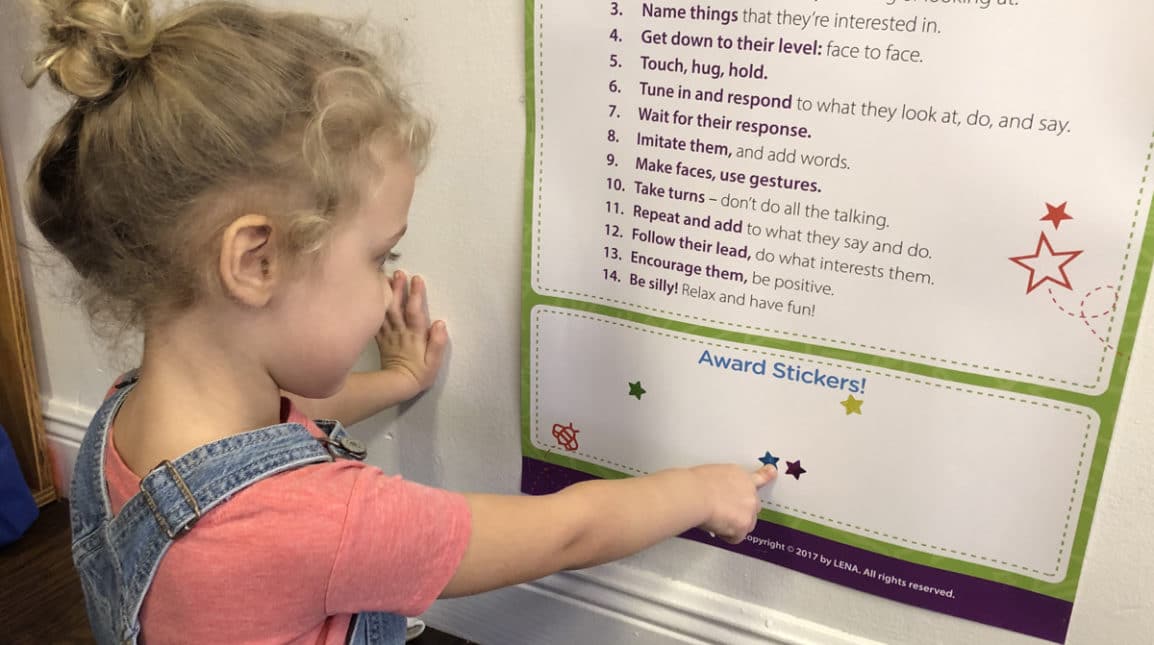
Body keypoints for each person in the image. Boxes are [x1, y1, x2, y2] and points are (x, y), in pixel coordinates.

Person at [22, 1, 777, 643]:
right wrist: (698, 490)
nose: (388, 293)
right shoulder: (324, 520)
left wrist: (397, 380)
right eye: (382, 256)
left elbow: (274, 435)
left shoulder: (126, 420)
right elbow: (566, 531)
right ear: (256, 260)